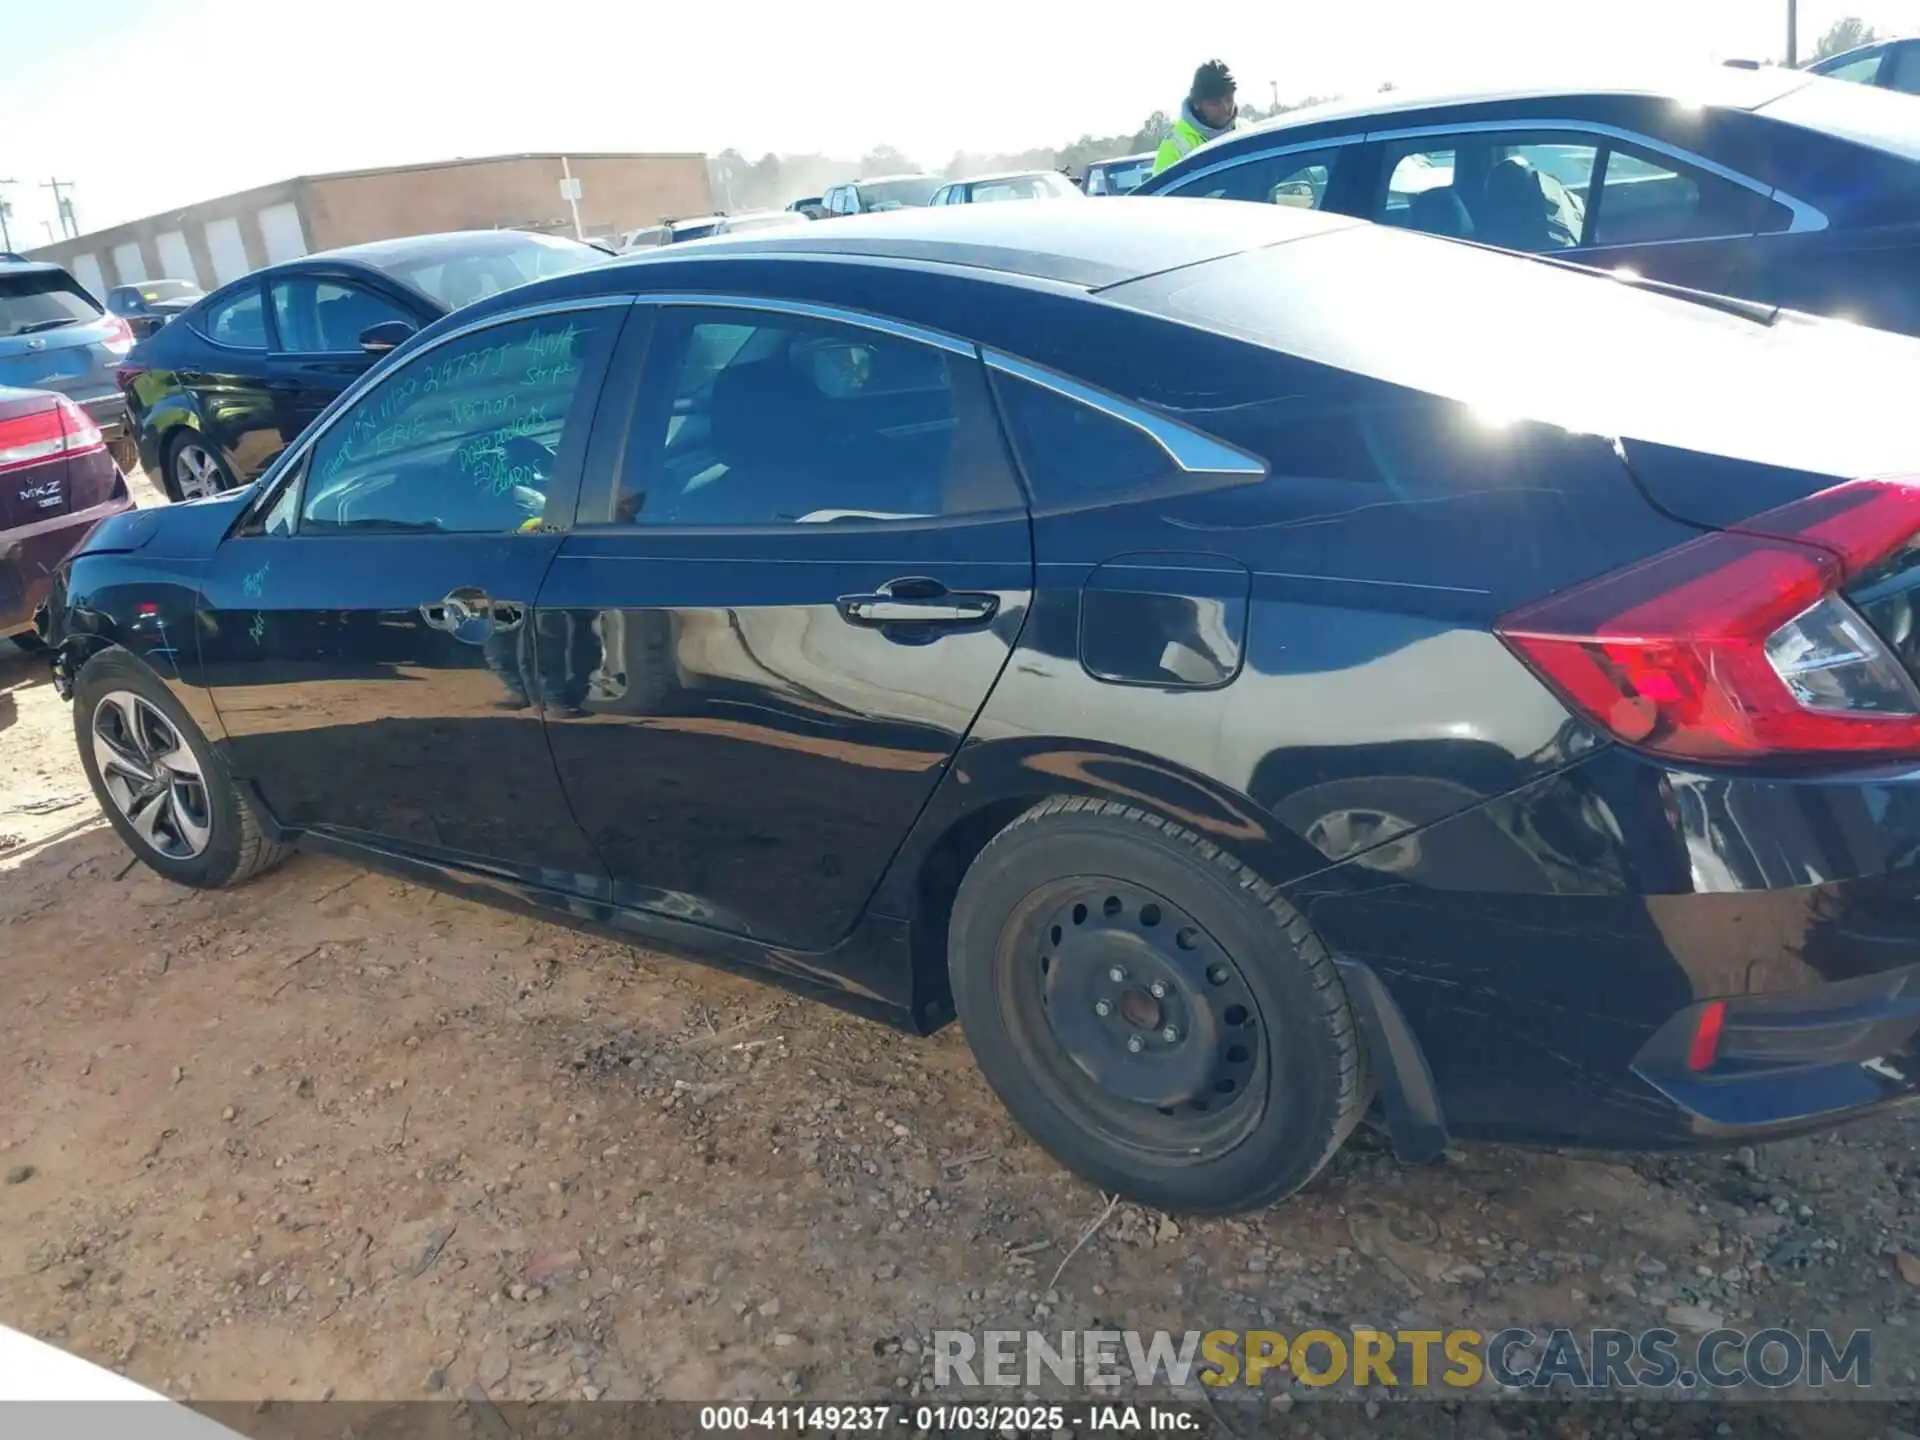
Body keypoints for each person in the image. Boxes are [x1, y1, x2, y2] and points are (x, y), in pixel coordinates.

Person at [1152, 60, 1239, 176]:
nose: (1225, 107)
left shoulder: (1246, 131)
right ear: (1197, 104)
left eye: (1229, 99)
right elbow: (1161, 191)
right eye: (1215, 103)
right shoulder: (1174, 147)